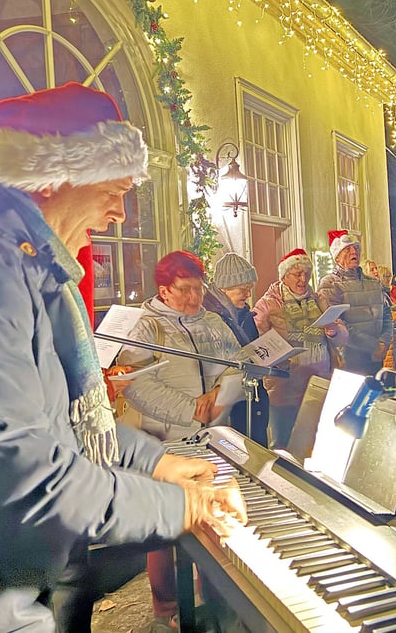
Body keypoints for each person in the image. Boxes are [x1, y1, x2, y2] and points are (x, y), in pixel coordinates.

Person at [0, 83, 242, 631]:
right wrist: (183, 506)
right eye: (117, 187)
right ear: (57, 171)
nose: (119, 214)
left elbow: (57, 421)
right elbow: (24, 483)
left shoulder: (12, 250)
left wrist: (153, 462)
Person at [117, 250, 244, 626]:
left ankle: (214, 599)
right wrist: (189, 408)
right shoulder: (146, 327)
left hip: (214, 437)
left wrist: (221, 396)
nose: (193, 299)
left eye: (198, 289)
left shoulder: (214, 323)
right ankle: (168, 608)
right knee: (166, 531)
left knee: (212, 522)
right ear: (164, 290)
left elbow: (236, 362)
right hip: (166, 441)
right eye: (184, 290)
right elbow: (136, 386)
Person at [253, 249, 346, 448]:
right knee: (283, 443)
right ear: (284, 277)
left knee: (316, 442)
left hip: (319, 382)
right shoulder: (268, 304)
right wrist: (277, 358)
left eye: (306, 274)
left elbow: (342, 338)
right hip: (285, 386)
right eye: (297, 274)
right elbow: (255, 343)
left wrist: (334, 331)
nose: (303, 279)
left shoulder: (319, 299)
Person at [202, 252, 270, 441]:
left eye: (249, 288)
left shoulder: (245, 314)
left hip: (251, 397)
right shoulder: (210, 317)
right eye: (243, 289)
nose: (248, 294)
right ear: (225, 288)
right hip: (228, 405)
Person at [316, 230, 391, 376]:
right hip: (350, 360)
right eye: (347, 249)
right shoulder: (330, 284)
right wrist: (374, 346)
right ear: (337, 257)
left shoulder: (374, 283)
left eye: (356, 248)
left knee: (377, 398)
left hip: (377, 358)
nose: (353, 252)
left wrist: (384, 342)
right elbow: (337, 323)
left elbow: (387, 314)